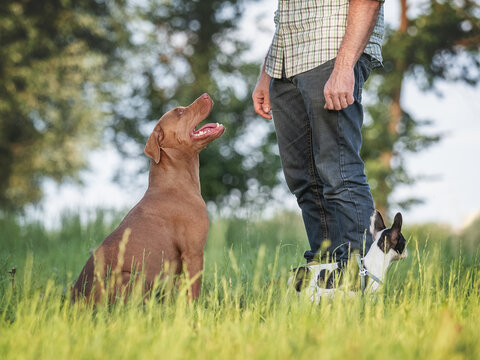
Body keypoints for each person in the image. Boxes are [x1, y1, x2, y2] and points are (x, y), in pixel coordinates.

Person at [252, 0, 385, 264]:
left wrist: (345, 66)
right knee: (303, 179)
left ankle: (360, 275)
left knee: (339, 172)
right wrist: (268, 72)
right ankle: (326, 274)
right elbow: (287, 12)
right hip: (286, 63)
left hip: (331, 49)